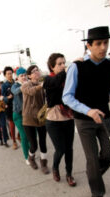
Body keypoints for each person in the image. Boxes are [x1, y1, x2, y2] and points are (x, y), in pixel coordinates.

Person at [62, 26, 110, 197]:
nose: (102, 47)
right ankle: (97, 195)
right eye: (98, 44)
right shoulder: (77, 67)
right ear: (89, 46)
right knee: (92, 158)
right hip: (84, 121)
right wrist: (88, 110)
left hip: (105, 118)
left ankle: (93, 176)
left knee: (109, 154)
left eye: (105, 43)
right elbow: (67, 97)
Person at [44, 53, 76, 187]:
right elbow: (57, 82)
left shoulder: (68, 78)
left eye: (64, 63)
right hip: (53, 119)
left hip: (68, 117)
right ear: (52, 67)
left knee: (69, 149)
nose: (63, 66)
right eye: (59, 64)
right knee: (60, 149)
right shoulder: (48, 79)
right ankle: (55, 167)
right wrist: (68, 70)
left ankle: (69, 174)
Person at [21, 65, 49, 174]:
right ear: (29, 75)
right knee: (33, 144)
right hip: (28, 119)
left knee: (43, 142)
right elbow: (31, 91)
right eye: (33, 71)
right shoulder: (25, 85)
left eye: (37, 70)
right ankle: (31, 157)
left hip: (41, 118)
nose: (36, 72)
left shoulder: (43, 84)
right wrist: (41, 86)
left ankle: (44, 163)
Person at [11, 67, 31, 165]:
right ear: (17, 77)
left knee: (33, 135)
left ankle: (32, 152)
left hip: (30, 114)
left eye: (24, 75)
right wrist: (24, 85)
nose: (23, 77)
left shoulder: (29, 83)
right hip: (18, 114)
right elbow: (15, 92)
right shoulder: (14, 86)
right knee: (24, 136)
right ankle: (27, 156)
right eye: (21, 76)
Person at [1, 66, 18, 149]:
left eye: (11, 73)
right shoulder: (4, 85)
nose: (10, 75)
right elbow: (2, 98)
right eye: (8, 74)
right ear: (5, 75)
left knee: (22, 123)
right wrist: (7, 98)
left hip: (18, 105)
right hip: (10, 107)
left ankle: (19, 136)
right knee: (12, 125)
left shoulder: (16, 82)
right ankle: (14, 141)